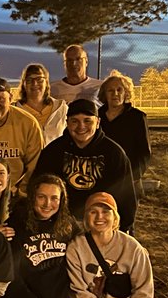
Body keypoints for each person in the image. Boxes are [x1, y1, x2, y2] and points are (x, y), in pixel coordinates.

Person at [5, 174, 77, 298]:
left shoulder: (69, 225)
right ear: (32, 198)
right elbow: (11, 276)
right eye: (41, 197)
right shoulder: (16, 225)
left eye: (54, 198)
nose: (48, 204)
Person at [34, 99, 137, 231]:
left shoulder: (114, 154)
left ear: (98, 122)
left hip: (100, 222)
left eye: (87, 121)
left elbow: (126, 194)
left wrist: (124, 228)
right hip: (61, 223)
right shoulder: (53, 151)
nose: (81, 126)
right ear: (67, 124)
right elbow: (38, 187)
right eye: (74, 121)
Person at [98, 73, 151, 189]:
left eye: (119, 90)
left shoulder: (137, 117)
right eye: (110, 90)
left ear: (126, 92)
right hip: (100, 178)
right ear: (104, 94)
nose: (115, 94)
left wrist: (134, 176)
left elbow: (144, 153)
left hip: (128, 179)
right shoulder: (96, 117)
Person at [17, 63, 68, 146]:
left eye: (39, 79)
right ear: (23, 84)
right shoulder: (15, 110)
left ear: (46, 82)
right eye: (29, 80)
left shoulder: (61, 108)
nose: (35, 84)